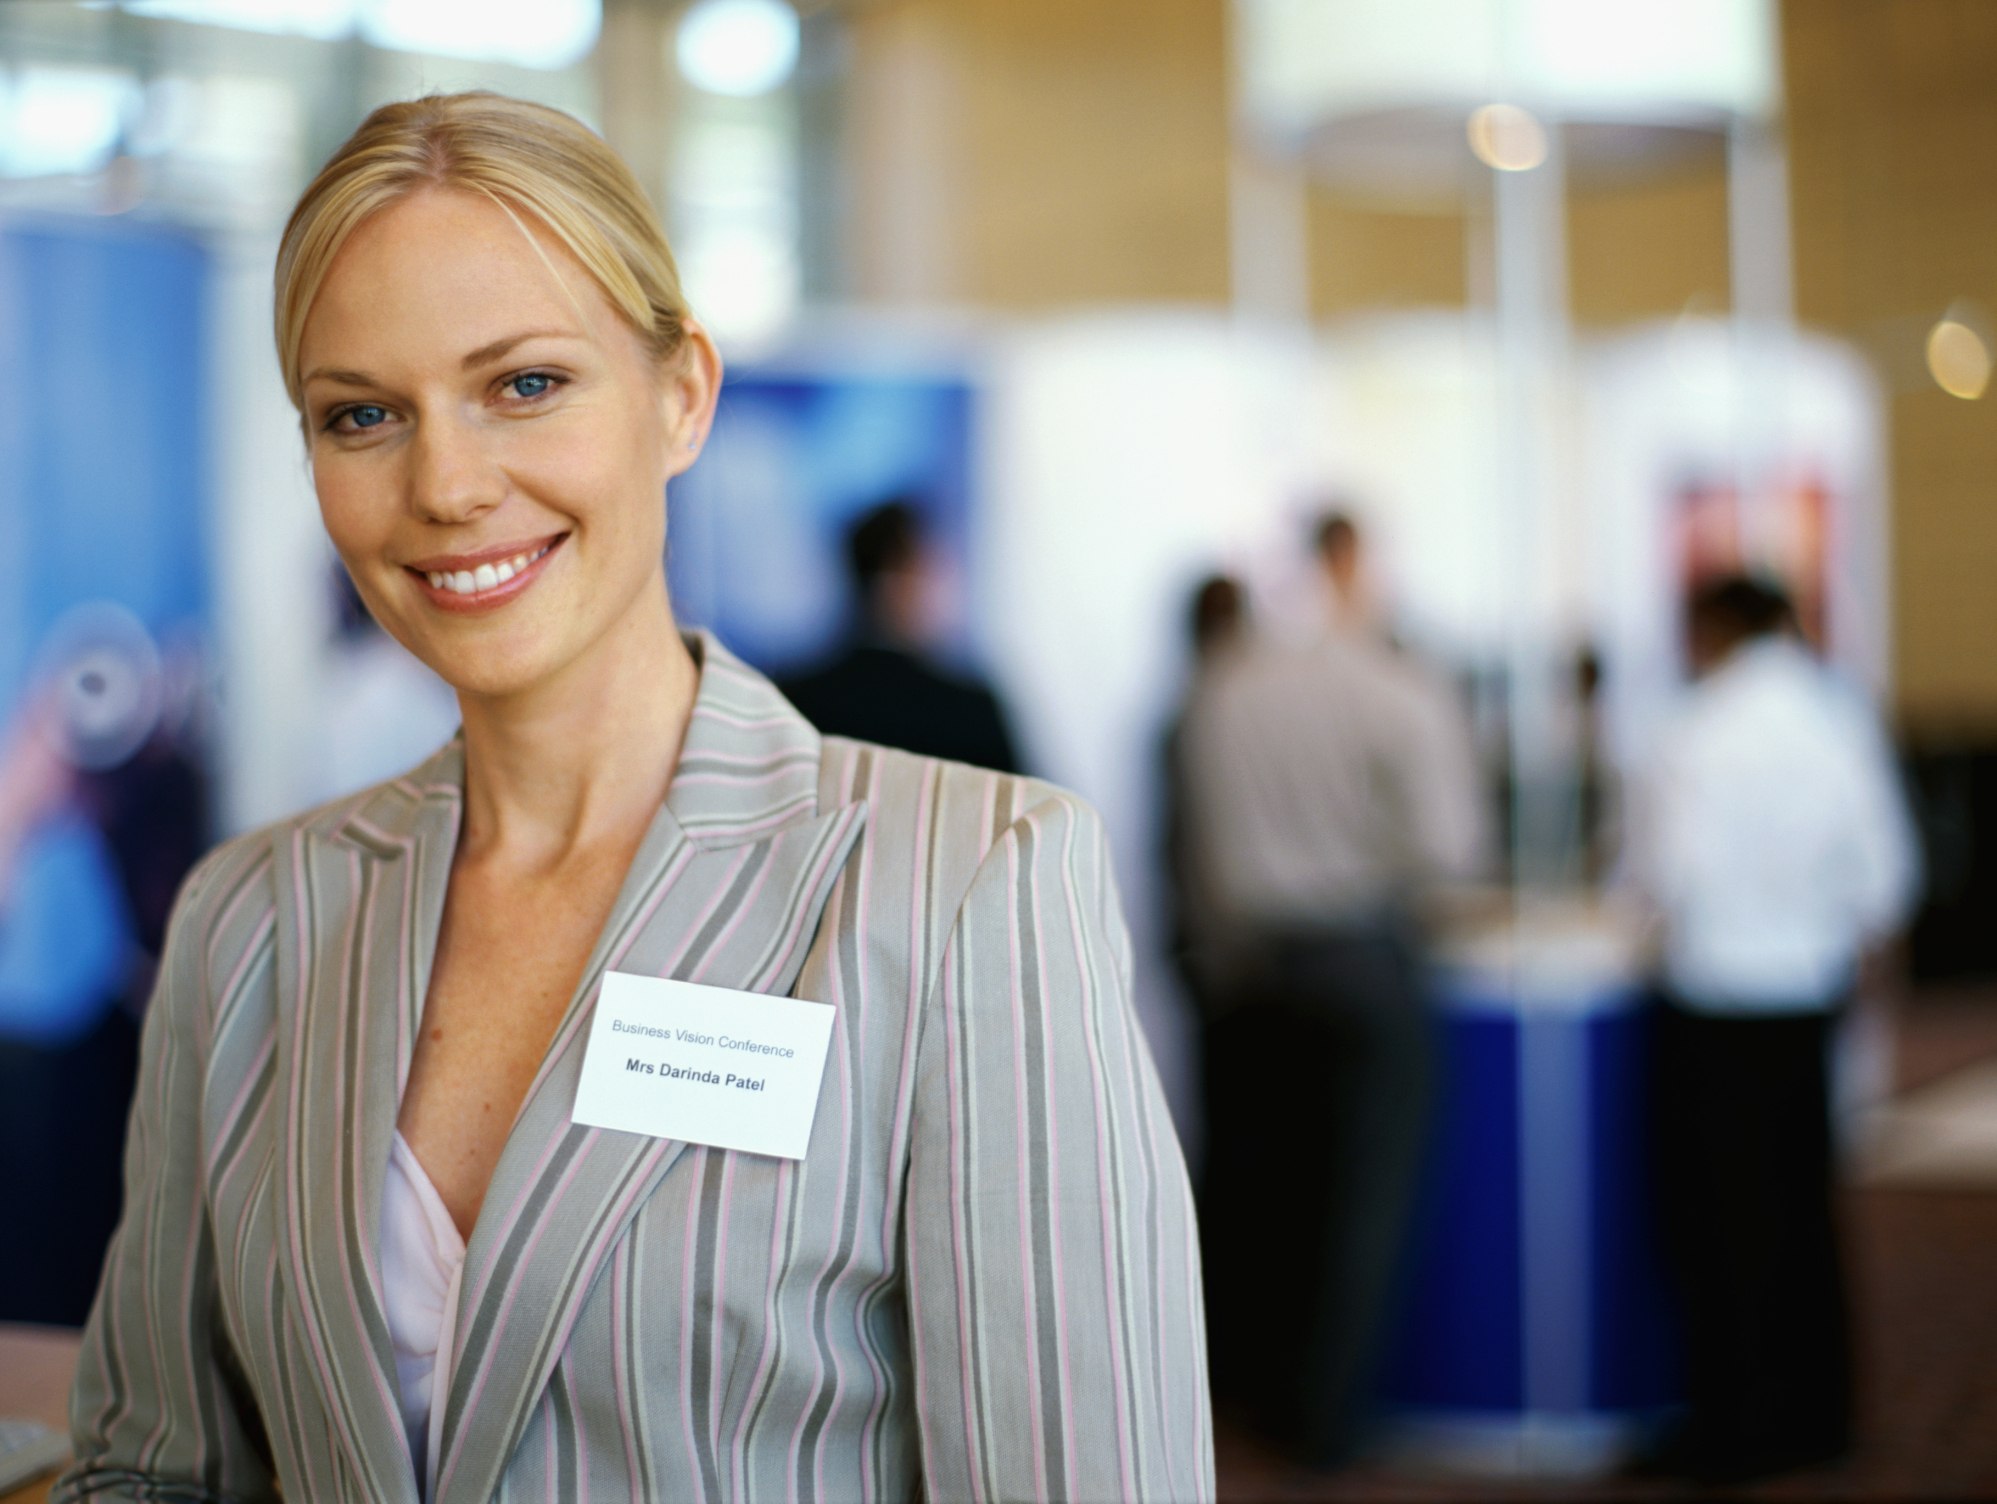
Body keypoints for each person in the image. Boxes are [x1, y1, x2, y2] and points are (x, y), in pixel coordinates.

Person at [60, 93, 1209, 1504]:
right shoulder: (254, 920)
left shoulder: (965, 882)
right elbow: (155, 1471)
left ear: (682, 397)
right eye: (362, 415)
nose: (447, 483)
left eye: (524, 385)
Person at [1179, 511, 1484, 1465]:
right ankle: (1325, 1420)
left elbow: (1204, 849)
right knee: (1364, 1197)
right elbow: (1447, 849)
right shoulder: (1394, 686)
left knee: (1267, 1190)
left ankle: (1256, 1393)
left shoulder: (1227, 685)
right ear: (1353, 564)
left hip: (1253, 973)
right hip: (1363, 961)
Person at [1633, 573, 1918, 1484]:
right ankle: (1818, 1413)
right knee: (1801, 1208)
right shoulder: (1838, 721)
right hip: (1804, 993)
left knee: (1717, 1223)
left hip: (1711, 999)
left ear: (1713, 628)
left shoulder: (1692, 732)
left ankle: (1730, 1427)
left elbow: (1661, 881)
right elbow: (1884, 874)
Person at [778, 498, 1021, 772]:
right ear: (901, 575)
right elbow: (1033, 808)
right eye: (932, 568)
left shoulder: (791, 700)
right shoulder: (971, 710)